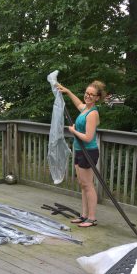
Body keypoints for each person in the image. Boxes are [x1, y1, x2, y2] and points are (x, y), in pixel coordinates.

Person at [56, 80, 105, 228]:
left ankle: (92, 218)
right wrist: (68, 91)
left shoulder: (92, 113)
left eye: (92, 94)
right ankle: (84, 215)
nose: (88, 96)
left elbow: (88, 137)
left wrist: (73, 131)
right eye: (87, 93)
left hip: (88, 151)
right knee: (83, 184)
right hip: (79, 150)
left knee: (88, 185)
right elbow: (78, 104)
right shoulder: (85, 109)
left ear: (97, 97)